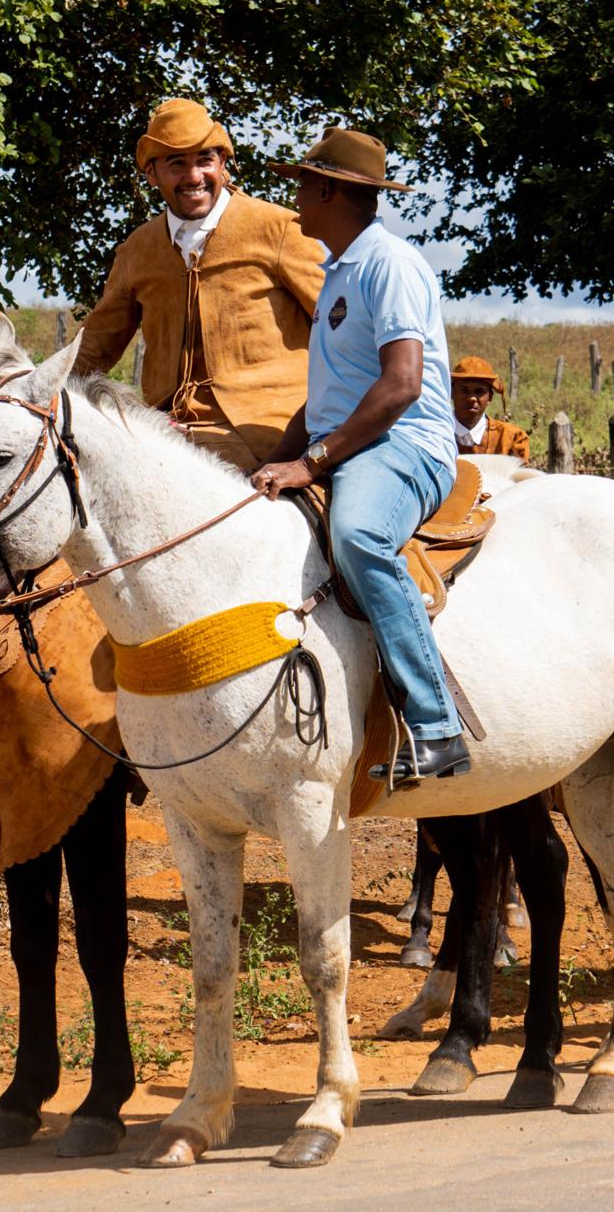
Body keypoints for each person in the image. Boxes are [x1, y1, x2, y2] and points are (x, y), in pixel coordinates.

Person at [251, 128, 469, 782]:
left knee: (359, 536)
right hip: (355, 442)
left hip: (406, 444)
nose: (293, 198)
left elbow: (401, 385)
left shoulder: (390, 265)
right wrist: (270, 462)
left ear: (326, 190)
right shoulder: (339, 271)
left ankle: (436, 726)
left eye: (301, 184)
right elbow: (327, 400)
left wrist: (311, 463)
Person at [75, 98, 323, 470]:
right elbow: (96, 345)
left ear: (223, 164)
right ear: (151, 174)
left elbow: (345, 330)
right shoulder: (137, 250)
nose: (193, 177)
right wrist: (31, 390)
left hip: (270, 431)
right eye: (176, 164)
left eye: (205, 160)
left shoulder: (279, 229)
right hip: (165, 431)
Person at [450, 356, 529, 461]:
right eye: (464, 390)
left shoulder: (511, 438)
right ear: (451, 393)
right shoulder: (435, 434)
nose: (472, 398)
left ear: (490, 396)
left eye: (479, 391)